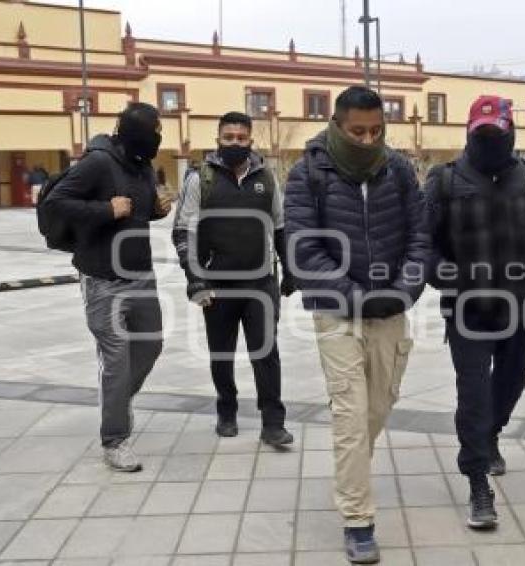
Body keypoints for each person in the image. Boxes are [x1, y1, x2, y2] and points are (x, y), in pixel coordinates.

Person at [425, 95, 525, 529]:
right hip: (468, 311)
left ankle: (491, 435)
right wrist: (444, 274)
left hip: (522, 307)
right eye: (482, 133)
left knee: (512, 381)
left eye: (497, 132)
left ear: (510, 132)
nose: (490, 139)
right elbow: (422, 243)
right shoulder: (444, 181)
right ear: (469, 133)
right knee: (474, 396)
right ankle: (478, 482)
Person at [285, 85, 429, 564]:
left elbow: (419, 238)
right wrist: (357, 297)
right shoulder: (308, 173)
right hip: (337, 313)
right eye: (358, 131)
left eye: (376, 130)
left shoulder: (400, 169)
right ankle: (358, 518)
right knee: (350, 414)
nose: (368, 139)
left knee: (379, 407)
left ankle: (351, 476)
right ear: (338, 124)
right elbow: (305, 250)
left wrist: (404, 289)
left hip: (391, 310)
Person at [44, 102, 171, 472]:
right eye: (155, 129)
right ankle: (115, 439)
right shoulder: (97, 162)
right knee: (116, 359)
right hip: (103, 278)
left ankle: (115, 403)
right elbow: (57, 202)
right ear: (135, 130)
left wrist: (158, 209)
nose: (159, 136)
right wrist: (104, 210)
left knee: (151, 345)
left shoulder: (143, 165)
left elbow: (139, 210)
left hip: (141, 274)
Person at [173, 111, 296, 446]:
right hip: (218, 285)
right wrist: (195, 279)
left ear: (250, 140)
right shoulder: (201, 179)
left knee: (266, 352)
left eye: (241, 138)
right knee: (221, 353)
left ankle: (273, 422)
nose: (235, 144)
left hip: (261, 284)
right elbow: (184, 232)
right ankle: (226, 410)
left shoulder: (267, 178)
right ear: (218, 140)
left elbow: (282, 226)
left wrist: (290, 269)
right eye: (229, 138)